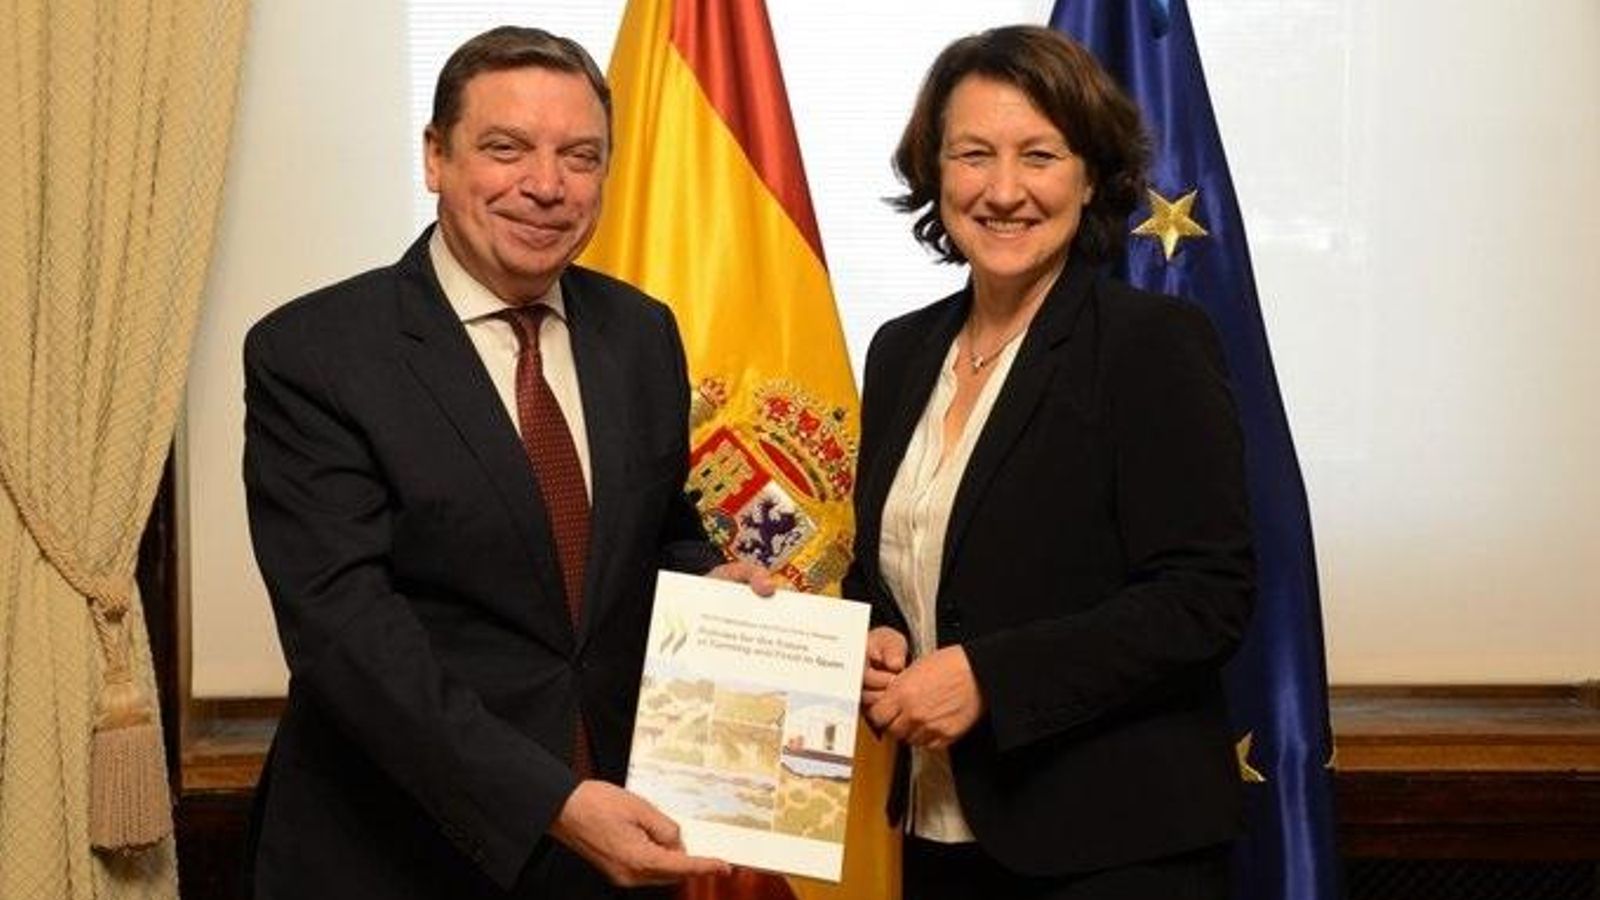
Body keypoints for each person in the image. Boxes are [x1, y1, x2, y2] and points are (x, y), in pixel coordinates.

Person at [242, 26, 769, 899]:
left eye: (580, 156)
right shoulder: (316, 353)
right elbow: (348, 636)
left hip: (609, 849)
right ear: (435, 157)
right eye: (506, 148)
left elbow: (649, 533)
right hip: (396, 856)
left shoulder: (641, 334)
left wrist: (712, 577)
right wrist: (547, 801)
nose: (547, 185)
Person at [847, 25, 1255, 900]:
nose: (1004, 191)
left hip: (1115, 852)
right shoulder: (901, 352)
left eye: (1039, 155)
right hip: (938, 831)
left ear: (1090, 175)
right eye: (973, 155)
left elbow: (1205, 596)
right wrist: (875, 636)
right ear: (934, 170)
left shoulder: (1151, 345)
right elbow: (895, 566)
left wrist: (990, 679)